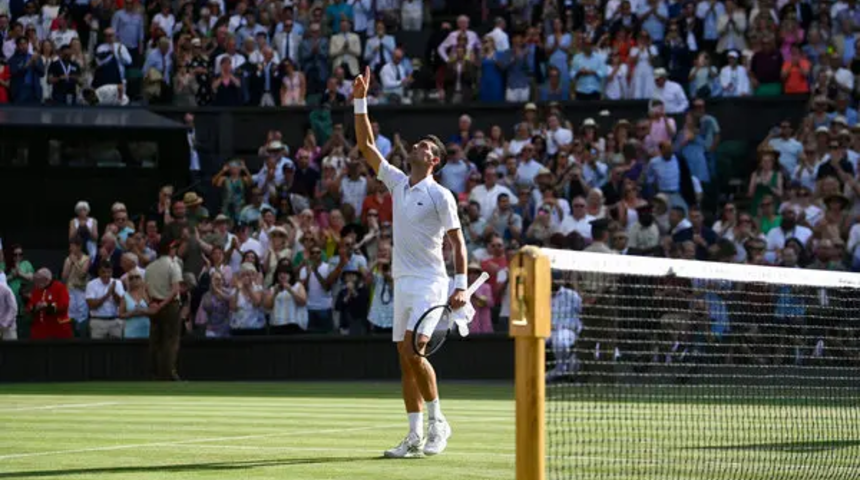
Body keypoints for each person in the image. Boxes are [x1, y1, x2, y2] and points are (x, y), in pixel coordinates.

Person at [353, 67, 468, 458]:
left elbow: (457, 242)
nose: (416, 147)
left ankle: (439, 424)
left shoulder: (441, 196)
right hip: (403, 280)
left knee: (417, 350)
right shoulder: (399, 182)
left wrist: (460, 285)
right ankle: (414, 436)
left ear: (433, 160)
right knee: (405, 360)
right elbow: (367, 145)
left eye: (423, 147)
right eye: (416, 144)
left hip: (431, 281)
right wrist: (360, 100)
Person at [144, 236, 184, 381]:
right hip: (170, 306)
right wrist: (162, 304)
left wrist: (151, 303)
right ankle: (168, 373)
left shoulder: (150, 267)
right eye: (174, 247)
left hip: (154, 305)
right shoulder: (173, 265)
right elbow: (175, 290)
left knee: (156, 340)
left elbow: (145, 289)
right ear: (170, 249)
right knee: (171, 340)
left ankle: (154, 373)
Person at [28, 269, 72, 340]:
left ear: (46, 280)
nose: (36, 283)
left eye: (38, 280)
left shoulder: (59, 287)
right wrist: (36, 307)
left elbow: (64, 305)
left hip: (58, 329)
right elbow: (29, 306)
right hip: (40, 331)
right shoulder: (36, 290)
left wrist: (47, 306)